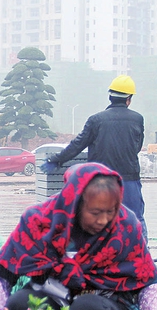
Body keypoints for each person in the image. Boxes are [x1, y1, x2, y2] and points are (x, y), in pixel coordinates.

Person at [0, 163, 157, 310]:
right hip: (51, 295)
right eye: (95, 213)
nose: (104, 220)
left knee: (88, 308)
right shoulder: (38, 222)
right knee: (22, 304)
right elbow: (0, 274)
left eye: (110, 211)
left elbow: (149, 282)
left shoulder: (126, 226)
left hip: (108, 303)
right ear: (74, 203)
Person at [43, 75, 147, 238]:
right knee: (135, 220)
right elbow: (137, 147)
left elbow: (78, 144)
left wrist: (57, 159)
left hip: (100, 181)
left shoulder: (96, 120)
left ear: (110, 96)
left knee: (99, 222)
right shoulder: (137, 119)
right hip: (129, 179)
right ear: (129, 99)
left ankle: (98, 258)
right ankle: (142, 258)